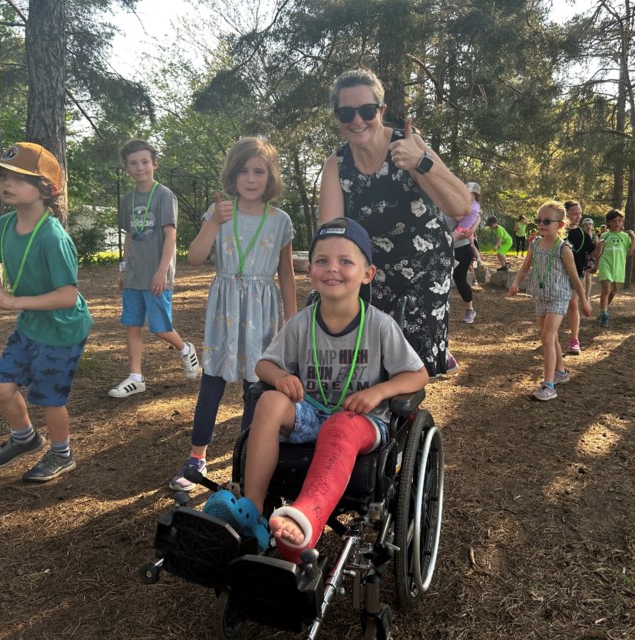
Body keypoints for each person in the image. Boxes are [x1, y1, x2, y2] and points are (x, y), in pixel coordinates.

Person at [202, 218, 428, 559]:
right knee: (270, 402)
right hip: (311, 413)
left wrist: (379, 392)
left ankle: (306, 517)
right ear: (310, 269)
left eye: (345, 261)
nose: (332, 268)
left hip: (361, 422)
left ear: (368, 273)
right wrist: (279, 377)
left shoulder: (380, 326)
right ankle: (253, 513)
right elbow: (263, 365)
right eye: (322, 260)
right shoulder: (301, 323)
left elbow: (418, 375)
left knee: (341, 424)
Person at [317, 68, 471, 377]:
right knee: (371, 356)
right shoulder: (337, 163)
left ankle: (406, 418)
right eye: (346, 112)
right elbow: (332, 231)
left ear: (381, 110)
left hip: (425, 265)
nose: (357, 120)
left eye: (366, 110)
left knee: (411, 359)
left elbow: (460, 204)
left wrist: (421, 163)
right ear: (338, 117)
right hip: (372, 271)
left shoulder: (408, 145)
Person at [169, 137, 297, 491]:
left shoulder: (280, 220)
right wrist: (213, 223)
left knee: (257, 385)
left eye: (259, 171)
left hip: (263, 308)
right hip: (225, 308)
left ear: (270, 177)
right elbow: (194, 258)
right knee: (213, 378)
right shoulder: (220, 212)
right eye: (243, 171)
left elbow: (286, 274)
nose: (251, 179)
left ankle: (245, 458)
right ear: (232, 175)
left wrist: (292, 318)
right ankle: (197, 456)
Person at [0, 142, 93, 481]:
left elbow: (69, 296)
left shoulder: (53, 238)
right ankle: (25, 438)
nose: (6, 184)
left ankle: (61, 454)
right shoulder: (4, 225)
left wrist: (13, 302)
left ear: (46, 188)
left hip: (62, 329)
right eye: (2, 177)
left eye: (18, 178)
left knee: (49, 398)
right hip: (30, 324)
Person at [109, 140, 200, 398]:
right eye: (133, 163)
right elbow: (129, 235)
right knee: (132, 324)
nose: (140, 167)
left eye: (145, 162)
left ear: (154, 164)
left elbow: (170, 236)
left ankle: (185, 350)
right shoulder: (128, 199)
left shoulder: (163, 196)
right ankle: (136, 377)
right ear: (126, 167)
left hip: (157, 274)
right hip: (134, 274)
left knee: (160, 328)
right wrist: (124, 268)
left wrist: (162, 271)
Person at [508, 201, 591, 401]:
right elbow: (525, 267)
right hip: (541, 296)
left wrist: (585, 301)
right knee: (550, 337)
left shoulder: (564, 249)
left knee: (546, 338)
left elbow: (575, 278)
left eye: (547, 221)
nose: (541, 224)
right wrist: (516, 282)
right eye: (538, 220)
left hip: (559, 297)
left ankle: (549, 385)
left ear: (560, 225)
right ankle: (560, 372)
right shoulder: (535, 244)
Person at [562, 200, 595, 355]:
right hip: (556, 275)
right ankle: (549, 335)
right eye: (574, 213)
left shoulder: (583, 234)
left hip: (576, 275)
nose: (578, 216)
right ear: (565, 213)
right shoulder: (557, 231)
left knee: (572, 303)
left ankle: (574, 339)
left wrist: (600, 248)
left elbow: (592, 253)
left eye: (579, 213)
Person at [594, 210, 635, 327]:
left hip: (618, 268)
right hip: (606, 265)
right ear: (608, 222)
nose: (617, 223)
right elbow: (598, 254)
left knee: (613, 292)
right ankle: (604, 315)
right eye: (614, 221)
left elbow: (630, 252)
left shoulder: (625, 236)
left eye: (619, 220)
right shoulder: (604, 235)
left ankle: (604, 310)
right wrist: (595, 265)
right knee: (606, 289)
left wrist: (633, 239)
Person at [446, 209, 480, 323]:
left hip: (461, 247)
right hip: (441, 247)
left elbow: (477, 214)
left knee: (459, 279)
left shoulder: (457, 202)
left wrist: (472, 230)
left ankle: (470, 309)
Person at [457, 182, 485, 269]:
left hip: (460, 228)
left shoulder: (468, 205)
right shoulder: (477, 205)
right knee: (472, 245)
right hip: (469, 230)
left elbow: (459, 218)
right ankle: (479, 260)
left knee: (450, 241)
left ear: (473, 193)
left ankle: (453, 261)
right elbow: (478, 214)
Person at [581, 218, 598, 300]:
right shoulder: (580, 236)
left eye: (590, 224)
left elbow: (598, 248)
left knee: (588, 278)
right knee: (581, 278)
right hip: (581, 258)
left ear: (592, 226)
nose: (588, 226)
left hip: (591, 260)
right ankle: (581, 294)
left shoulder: (595, 237)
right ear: (583, 226)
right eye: (586, 224)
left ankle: (587, 296)